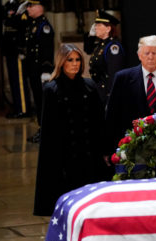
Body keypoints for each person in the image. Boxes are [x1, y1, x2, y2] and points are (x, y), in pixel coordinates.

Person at [33, 44, 108, 216]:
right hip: (65, 158)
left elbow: (99, 123)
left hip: (89, 155)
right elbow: (49, 131)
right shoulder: (51, 89)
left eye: (78, 60)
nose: (75, 64)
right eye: (70, 60)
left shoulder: (90, 86)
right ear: (61, 62)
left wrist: (104, 151)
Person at [105, 35, 156, 160]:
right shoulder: (123, 79)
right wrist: (109, 149)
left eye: (154, 53)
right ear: (139, 55)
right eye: (147, 53)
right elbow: (112, 116)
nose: (150, 57)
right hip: (132, 150)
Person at [23, 0, 54, 142]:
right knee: (38, 101)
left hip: (41, 71)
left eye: (31, 6)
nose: (28, 9)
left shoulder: (44, 26)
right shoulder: (33, 24)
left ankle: (46, 131)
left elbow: (46, 50)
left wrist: (46, 70)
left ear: (40, 7)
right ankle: (42, 128)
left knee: (43, 102)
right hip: (33, 70)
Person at [84, 10, 124, 106]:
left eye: (98, 25)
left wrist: (110, 96)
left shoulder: (113, 47)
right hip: (98, 89)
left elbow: (113, 74)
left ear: (108, 28)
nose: (95, 27)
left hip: (105, 91)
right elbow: (88, 49)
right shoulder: (102, 44)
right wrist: (90, 36)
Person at [2, 0, 32, 119]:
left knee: (19, 81)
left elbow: (24, 29)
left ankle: (23, 109)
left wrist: (22, 48)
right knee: (13, 80)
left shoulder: (22, 6)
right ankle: (17, 107)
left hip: (17, 50)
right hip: (9, 50)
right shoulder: (7, 6)